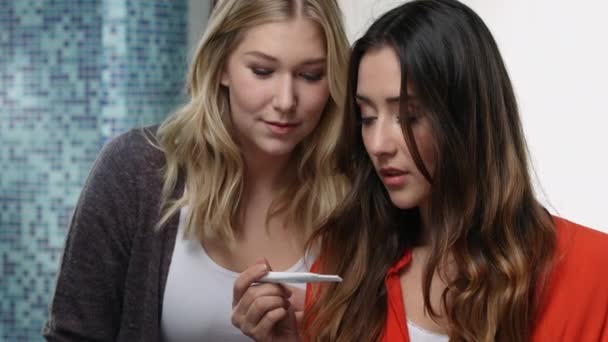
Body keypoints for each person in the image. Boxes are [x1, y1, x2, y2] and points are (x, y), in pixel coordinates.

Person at [231, 0, 608, 341]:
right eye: (367, 117)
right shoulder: (345, 270)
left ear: (468, 118)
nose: (378, 143)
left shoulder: (594, 270)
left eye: (408, 116)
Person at [42, 0, 350, 340]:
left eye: (310, 75)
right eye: (262, 71)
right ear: (221, 67)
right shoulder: (134, 171)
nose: (286, 100)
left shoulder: (356, 193)